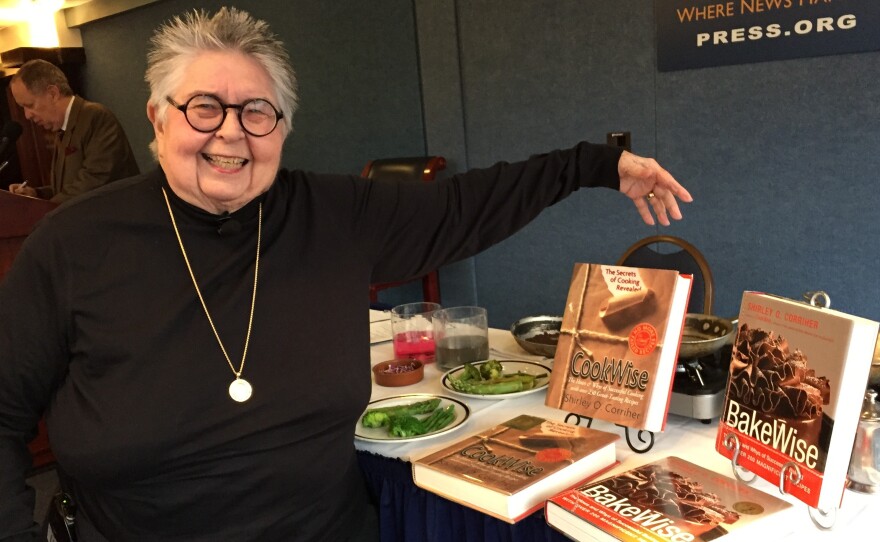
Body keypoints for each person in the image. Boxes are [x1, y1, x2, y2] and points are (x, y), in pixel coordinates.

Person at [0, 7, 692, 542]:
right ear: (158, 118)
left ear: (283, 127)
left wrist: (599, 165)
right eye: (204, 107)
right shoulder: (75, 244)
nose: (231, 132)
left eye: (257, 112)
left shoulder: (330, 214)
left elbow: (467, 203)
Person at [7, 59, 140, 203]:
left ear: (52, 93)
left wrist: (47, 211)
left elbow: (95, 180)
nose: (27, 115)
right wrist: (36, 194)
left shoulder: (95, 116)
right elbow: (67, 189)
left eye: (29, 105)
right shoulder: (63, 128)